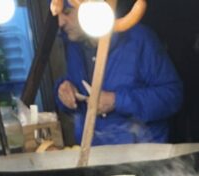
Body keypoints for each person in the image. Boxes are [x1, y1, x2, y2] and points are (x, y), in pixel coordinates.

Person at [56, 2, 183, 145]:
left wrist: (117, 101)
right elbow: (74, 89)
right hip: (95, 156)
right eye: (57, 15)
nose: (60, 22)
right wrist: (63, 92)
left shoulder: (138, 39)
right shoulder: (73, 45)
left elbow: (173, 97)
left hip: (142, 157)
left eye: (67, 12)